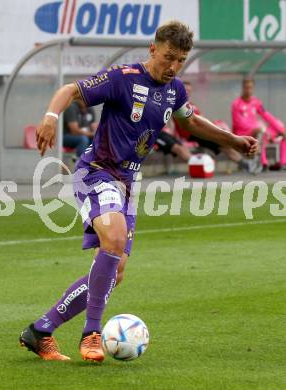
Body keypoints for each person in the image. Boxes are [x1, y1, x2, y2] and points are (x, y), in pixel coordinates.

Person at [19, 21, 258, 363]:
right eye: (168, 57)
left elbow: (190, 121)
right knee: (113, 240)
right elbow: (70, 90)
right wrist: (50, 117)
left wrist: (232, 139)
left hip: (128, 185)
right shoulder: (123, 78)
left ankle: (41, 330)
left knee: (114, 271)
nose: (173, 66)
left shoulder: (175, 90)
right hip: (97, 173)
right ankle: (91, 334)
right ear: (153, 49)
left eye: (181, 59)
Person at [168, 81, 259, 173]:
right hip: (192, 134)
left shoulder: (192, 105)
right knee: (223, 142)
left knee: (224, 143)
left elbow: (201, 120)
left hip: (201, 132)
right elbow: (178, 122)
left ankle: (245, 164)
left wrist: (217, 127)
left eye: (189, 90)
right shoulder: (175, 105)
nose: (187, 92)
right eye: (185, 90)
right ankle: (245, 164)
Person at [232, 78, 286, 170]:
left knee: (282, 129)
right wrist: (257, 128)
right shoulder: (236, 104)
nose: (248, 90)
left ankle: (283, 163)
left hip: (258, 130)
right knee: (261, 132)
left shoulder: (256, 102)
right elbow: (239, 124)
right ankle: (263, 163)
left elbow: (267, 115)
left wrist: (280, 130)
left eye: (250, 88)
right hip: (243, 133)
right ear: (243, 88)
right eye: (246, 88)